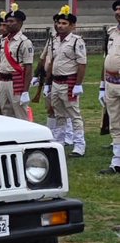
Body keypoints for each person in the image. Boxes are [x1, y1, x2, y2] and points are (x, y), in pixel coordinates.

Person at [43, 8, 87, 156]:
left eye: (64, 23)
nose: (60, 26)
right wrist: (48, 83)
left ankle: (79, 145)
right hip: (56, 82)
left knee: (74, 115)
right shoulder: (54, 40)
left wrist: (78, 85)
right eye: (59, 23)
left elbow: (82, 63)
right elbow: (52, 62)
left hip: (69, 82)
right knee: (59, 114)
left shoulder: (76, 41)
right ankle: (59, 142)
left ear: (72, 26)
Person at [0, 7, 33, 119]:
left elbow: (28, 67)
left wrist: (25, 91)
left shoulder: (24, 42)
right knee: (5, 115)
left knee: (20, 114)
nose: (8, 24)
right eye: (7, 21)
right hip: (2, 81)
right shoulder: (3, 41)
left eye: (11, 21)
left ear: (19, 23)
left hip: (16, 82)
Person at [99, 0, 120, 174]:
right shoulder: (112, 32)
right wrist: (101, 86)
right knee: (115, 122)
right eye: (116, 9)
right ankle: (117, 161)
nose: (118, 12)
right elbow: (106, 59)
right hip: (111, 83)